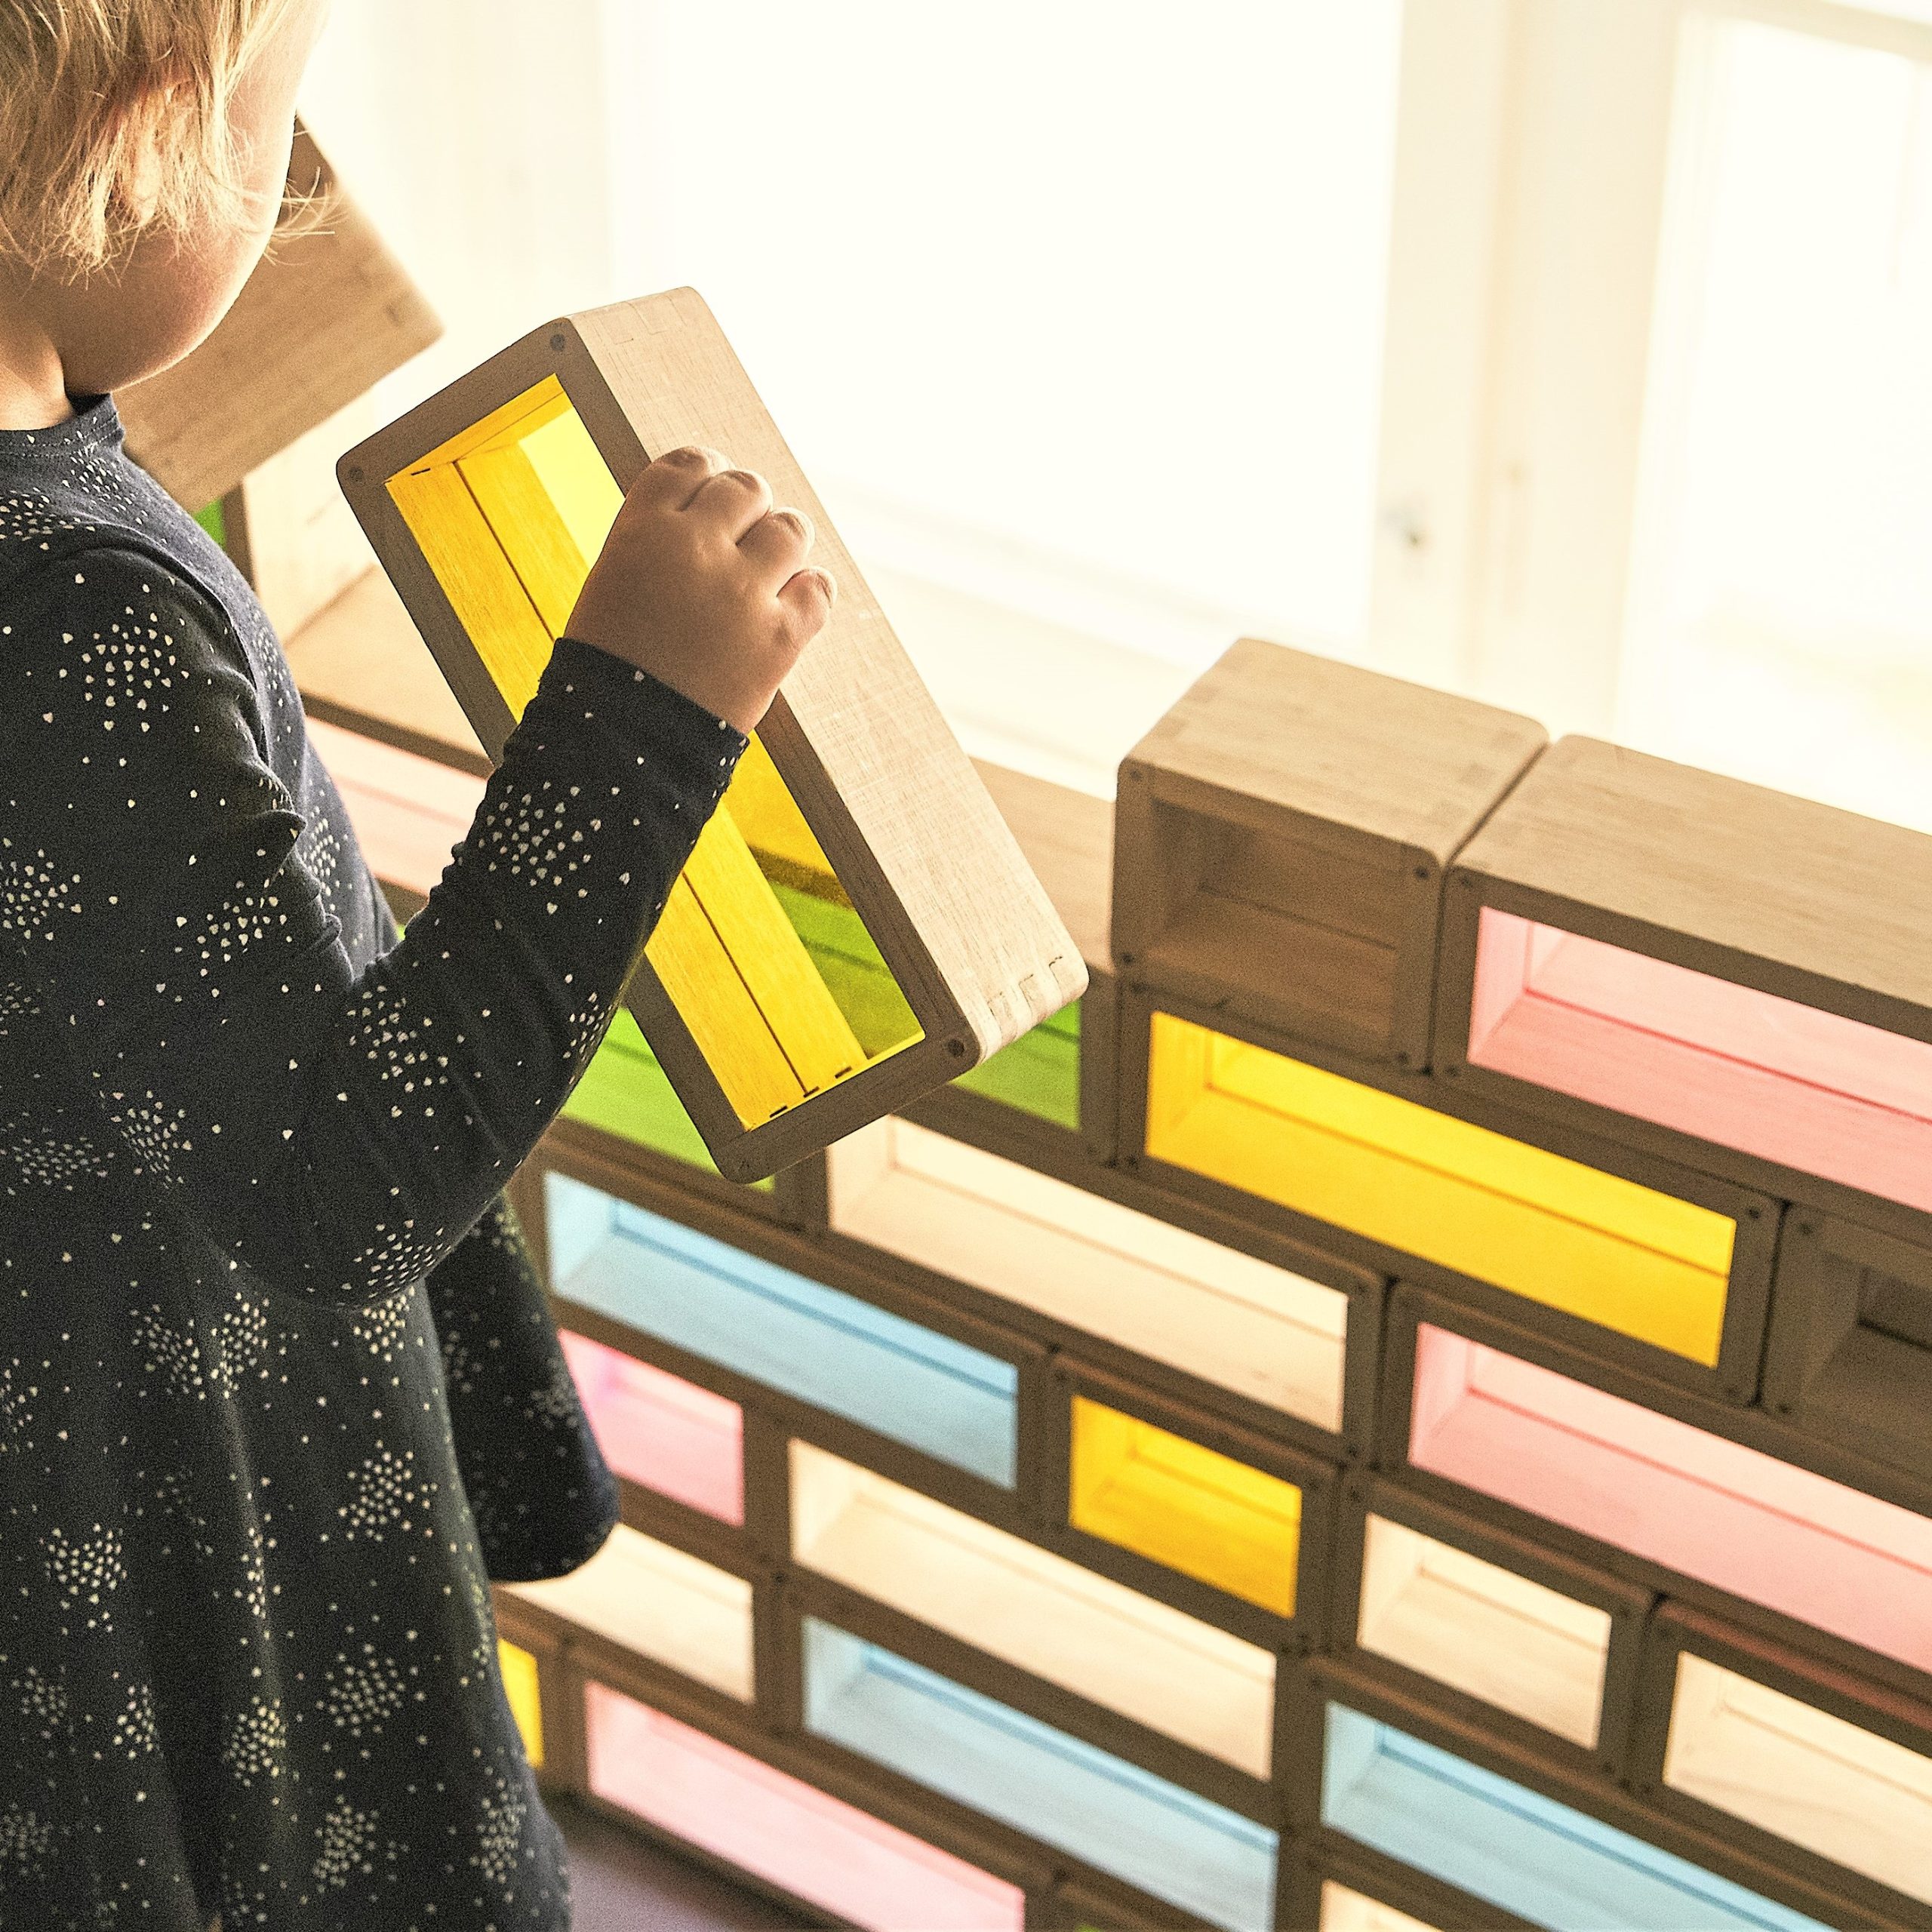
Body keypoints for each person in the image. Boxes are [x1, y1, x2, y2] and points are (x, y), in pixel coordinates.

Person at [0, 2, 836, 1926]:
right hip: (157, 1441)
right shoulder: (73, 623)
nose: (302, 184)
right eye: (278, 125)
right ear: (135, 135)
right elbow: (335, 1182)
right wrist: (641, 715)